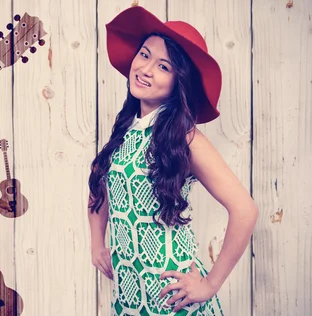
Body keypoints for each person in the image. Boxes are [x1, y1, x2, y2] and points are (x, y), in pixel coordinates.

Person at [88, 6, 258, 315]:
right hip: (129, 296)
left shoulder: (186, 138)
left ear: (180, 82)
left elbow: (245, 210)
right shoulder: (124, 130)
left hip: (173, 299)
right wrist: (97, 242)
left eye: (164, 66)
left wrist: (209, 285)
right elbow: (99, 186)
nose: (146, 69)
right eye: (144, 55)